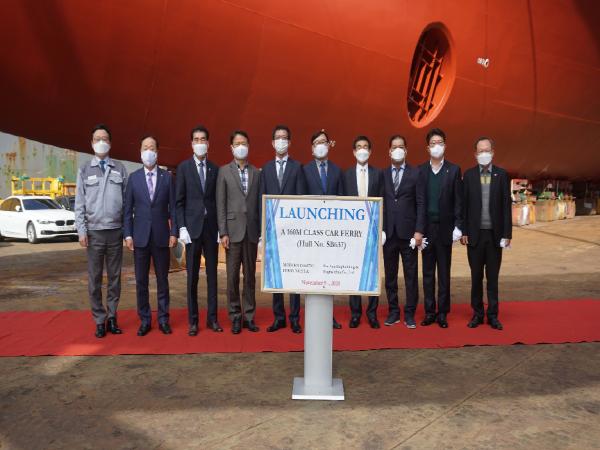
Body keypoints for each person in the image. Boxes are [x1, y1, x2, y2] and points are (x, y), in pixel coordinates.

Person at [74, 124, 128, 338]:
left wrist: (127, 231)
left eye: (105, 138)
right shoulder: (85, 169)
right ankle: (99, 319)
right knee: (95, 279)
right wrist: (81, 230)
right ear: (91, 143)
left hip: (115, 231)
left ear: (110, 143)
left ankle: (112, 317)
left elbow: (127, 203)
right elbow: (79, 203)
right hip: (94, 232)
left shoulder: (120, 168)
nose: (101, 142)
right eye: (97, 139)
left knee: (115, 278)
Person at [124, 136, 177, 336]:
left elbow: (173, 209)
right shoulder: (134, 178)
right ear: (140, 152)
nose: (149, 151)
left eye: (152, 148)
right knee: (141, 282)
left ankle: (163, 319)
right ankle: (145, 319)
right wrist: (128, 234)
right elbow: (127, 210)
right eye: (145, 148)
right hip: (140, 237)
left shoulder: (167, 178)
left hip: (162, 236)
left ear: (157, 152)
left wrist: (174, 232)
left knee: (163, 280)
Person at [461, 137, 512, 330]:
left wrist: (507, 234)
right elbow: (464, 206)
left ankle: (492, 315)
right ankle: (477, 314)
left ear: (493, 152)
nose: (484, 154)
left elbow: (506, 206)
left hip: (494, 236)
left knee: (492, 278)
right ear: (475, 154)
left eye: (487, 150)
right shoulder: (469, 175)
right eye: (480, 151)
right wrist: (464, 231)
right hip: (474, 236)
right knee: (476, 278)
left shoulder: (502, 175)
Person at [176, 125, 222, 336]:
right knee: (192, 278)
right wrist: (182, 227)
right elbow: (179, 202)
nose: (200, 143)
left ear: (208, 143)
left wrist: (221, 228)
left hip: (211, 230)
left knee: (212, 277)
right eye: (196, 139)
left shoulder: (215, 169)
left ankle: (212, 319)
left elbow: (218, 201)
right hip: (192, 231)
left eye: (203, 139)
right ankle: (193, 321)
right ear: (191, 144)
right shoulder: (184, 168)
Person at [260, 125, 306, 334]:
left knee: (293, 274)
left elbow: (301, 200)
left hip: (293, 232)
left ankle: (295, 317)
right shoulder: (266, 169)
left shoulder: (297, 168)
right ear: (272, 143)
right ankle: (279, 317)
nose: (281, 141)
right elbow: (262, 200)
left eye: (284, 138)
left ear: (289, 142)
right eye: (277, 137)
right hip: (273, 231)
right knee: (275, 274)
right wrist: (263, 231)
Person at [216, 130, 261, 334]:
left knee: (250, 277)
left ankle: (249, 316)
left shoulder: (257, 173)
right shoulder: (224, 172)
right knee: (232, 277)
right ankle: (235, 316)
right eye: (237, 144)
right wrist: (223, 232)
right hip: (232, 233)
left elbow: (259, 203)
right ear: (232, 147)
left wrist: (260, 232)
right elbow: (221, 203)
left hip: (251, 232)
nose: (241, 147)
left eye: (244, 143)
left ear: (248, 146)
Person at [419, 128, 463, 328]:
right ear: (427, 147)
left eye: (440, 143)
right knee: (428, 273)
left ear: (445, 145)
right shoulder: (421, 171)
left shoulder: (453, 170)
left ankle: (443, 313)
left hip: (445, 229)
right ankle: (429, 312)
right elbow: (419, 202)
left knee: (444, 274)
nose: (437, 146)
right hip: (427, 230)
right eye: (433, 143)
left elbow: (458, 201)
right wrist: (418, 229)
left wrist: (458, 226)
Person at [382, 135, 426, 329]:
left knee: (410, 275)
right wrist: (381, 229)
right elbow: (380, 202)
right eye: (394, 147)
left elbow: (421, 203)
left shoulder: (416, 173)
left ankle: (409, 313)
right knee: (390, 276)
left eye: (401, 146)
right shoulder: (383, 174)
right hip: (389, 234)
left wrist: (419, 231)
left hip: (409, 234)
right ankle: (393, 311)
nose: (397, 150)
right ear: (389, 151)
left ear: (406, 150)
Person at [302, 129, 344, 329]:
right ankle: (308, 315)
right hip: (311, 233)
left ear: (329, 146)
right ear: (312, 148)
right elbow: (300, 200)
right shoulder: (305, 170)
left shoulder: (337, 171)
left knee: (328, 274)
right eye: (317, 142)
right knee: (310, 274)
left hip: (331, 234)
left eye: (324, 142)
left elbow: (343, 201)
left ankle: (329, 315)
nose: (321, 145)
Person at [343, 135, 383, 329]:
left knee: (372, 272)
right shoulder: (346, 175)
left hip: (372, 230)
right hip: (352, 232)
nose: (362, 150)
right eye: (358, 147)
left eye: (365, 146)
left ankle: (372, 313)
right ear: (353, 151)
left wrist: (382, 228)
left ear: (370, 151)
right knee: (354, 271)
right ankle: (355, 313)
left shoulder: (378, 174)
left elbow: (382, 201)